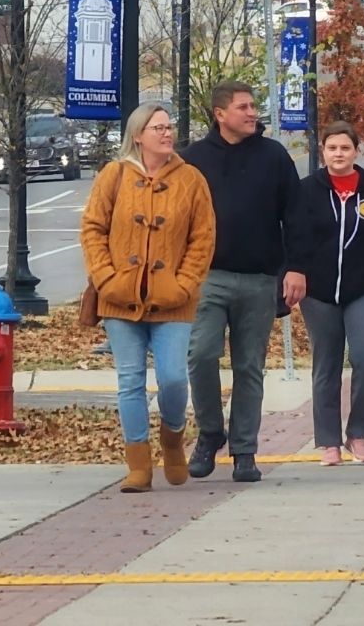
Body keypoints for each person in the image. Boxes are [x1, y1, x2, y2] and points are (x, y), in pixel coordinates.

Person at [80, 103, 215, 492]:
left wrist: (184, 284)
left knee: (173, 378)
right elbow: (92, 228)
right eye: (158, 128)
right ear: (138, 135)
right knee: (130, 381)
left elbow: (203, 237)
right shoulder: (114, 175)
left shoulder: (191, 180)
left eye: (169, 127)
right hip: (119, 299)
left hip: (173, 301)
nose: (167, 133)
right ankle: (138, 464)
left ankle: (172, 437)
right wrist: (106, 278)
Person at [182, 81, 303, 484]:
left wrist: (295, 267)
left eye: (253, 106)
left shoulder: (273, 156)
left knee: (249, 366)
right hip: (208, 277)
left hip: (260, 279)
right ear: (220, 114)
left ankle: (245, 451)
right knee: (200, 355)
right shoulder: (193, 160)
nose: (253, 113)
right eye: (243, 107)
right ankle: (210, 433)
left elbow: (296, 216)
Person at [286, 122, 364, 466]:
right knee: (326, 364)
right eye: (332, 148)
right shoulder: (306, 190)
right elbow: (293, 239)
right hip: (319, 291)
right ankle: (328, 440)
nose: (338, 154)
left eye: (345, 148)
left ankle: (358, 433)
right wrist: (291, 276)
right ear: (323, 151)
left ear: (356, 151)